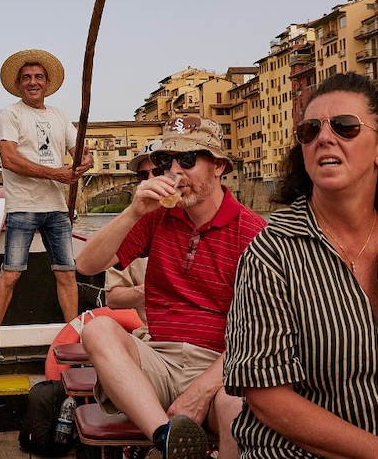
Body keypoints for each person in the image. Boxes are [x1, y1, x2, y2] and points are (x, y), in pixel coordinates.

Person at [224, 72, 378, 458]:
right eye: (309, 130)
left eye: (345, 127)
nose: (324, 137)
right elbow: (267, 397)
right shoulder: (270, 254)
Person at [75, 116, 266, 459]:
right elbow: (86, 265)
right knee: (98, 330)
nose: (174, 172)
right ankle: (167, 438)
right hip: (158, 358)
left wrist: (200, 392)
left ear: (219, 166)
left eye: (188, 160)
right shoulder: (155, 217)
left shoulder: (253, 233)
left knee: (235, 404)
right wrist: (133, 211)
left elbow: (259, 336)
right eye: (165, 162)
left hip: (220, 365)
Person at [0, 49, 93, 349]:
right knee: (10, 274)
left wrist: (85, 161)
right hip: (23, 207)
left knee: (67, 274)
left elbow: (78, 152)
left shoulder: (59, 116)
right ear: (19, 85)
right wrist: (55, 174)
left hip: (57, 209)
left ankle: (72, 336)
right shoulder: (10, 114)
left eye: (38, 77)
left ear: (46, 83)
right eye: (26, 78)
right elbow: (9, 159)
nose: (33, 82)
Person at [103, 139, 163, 322]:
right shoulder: (130, 228)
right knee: (98, 329)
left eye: (159, 171)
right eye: (144, 175)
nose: (151, 180)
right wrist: (148, 289)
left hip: (205, 340)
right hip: (152, 338)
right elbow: (112, 298)